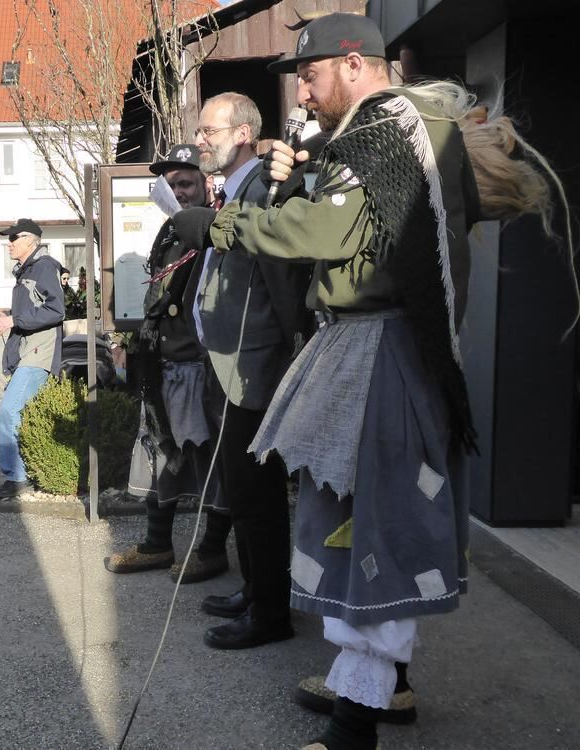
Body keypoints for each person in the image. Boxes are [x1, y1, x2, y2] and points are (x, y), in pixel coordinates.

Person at [185, 13, 559, 750]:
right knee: (362, 518)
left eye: (312, 76)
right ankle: (378, 693)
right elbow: (362, 223)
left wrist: (220, 226)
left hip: (381, 348)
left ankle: (358, 725)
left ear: (353, 63)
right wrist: (310, 179)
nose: (306, 93)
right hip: (385, 344)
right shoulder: (405, 125)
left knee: (374, 524)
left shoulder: (384, 127)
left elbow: (325, 236)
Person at [179, 92, 312, 650]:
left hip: (254, 368)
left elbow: (286, 286)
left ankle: (270, 614)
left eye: (209, 131)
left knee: (256, 493)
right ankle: (256, 589)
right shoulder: (236, 188)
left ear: (242, 135)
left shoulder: (265, 188)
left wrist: (292, 355)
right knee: (240, 486)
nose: (200, 139)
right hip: (228, 364)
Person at [104, 143, 235, 584]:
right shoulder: (168, 233)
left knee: (208, 463)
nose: (178, 190)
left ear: (205, 184)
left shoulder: (215, 229)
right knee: (157, 455)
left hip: (199, 368)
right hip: (162, 366)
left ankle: (212, 550)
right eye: (172, 184)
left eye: (186, 182)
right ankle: (156, 545)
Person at [0, 219, 65, 499]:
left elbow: (56, 310)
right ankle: (26, 471)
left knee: (10, 411)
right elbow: (33, 307)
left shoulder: (43, 266)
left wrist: (14, 319)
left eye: (13, 238)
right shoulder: (27, 270)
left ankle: (17, 477)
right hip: (28, 350)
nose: (9, 243)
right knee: (21, 413)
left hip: (38, 352)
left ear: (30, 240)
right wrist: (7, 315)